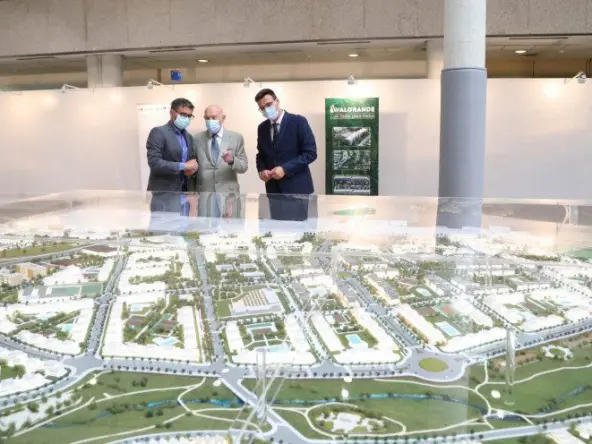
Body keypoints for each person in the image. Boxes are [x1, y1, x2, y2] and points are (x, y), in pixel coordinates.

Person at [254, 88, 317, 220]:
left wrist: (285, 169)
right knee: (277, 229)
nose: (266, 110)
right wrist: (262, 170)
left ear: (277, 101)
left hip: (297, 190)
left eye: (268, 104)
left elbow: (310, 153)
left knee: (298, 230)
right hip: (273, 191)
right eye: (262, 108)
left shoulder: (298, 121)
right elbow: (261, 154)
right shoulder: (262, 128)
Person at [146, 98, 197, 213]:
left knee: (183, 224)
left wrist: (191, 170)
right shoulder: (158, 132)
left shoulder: (189, 137)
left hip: (184, 193)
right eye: (183, 114)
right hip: (163, 193)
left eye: (189, 116)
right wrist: (183, 166)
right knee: (164, 224)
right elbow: (154, 162)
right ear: (172, 113)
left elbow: (189, 163)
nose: (186, 119)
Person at [190, 105, 248, 194]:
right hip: (203, 193)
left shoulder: (236, 138)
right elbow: (192, 168)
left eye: (214, 117)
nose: (210, 121)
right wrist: (191, 193)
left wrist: (232, 160)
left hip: (228, 194)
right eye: (207, 118)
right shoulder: (196, 139)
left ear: (223, 118)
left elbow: (243, 167)